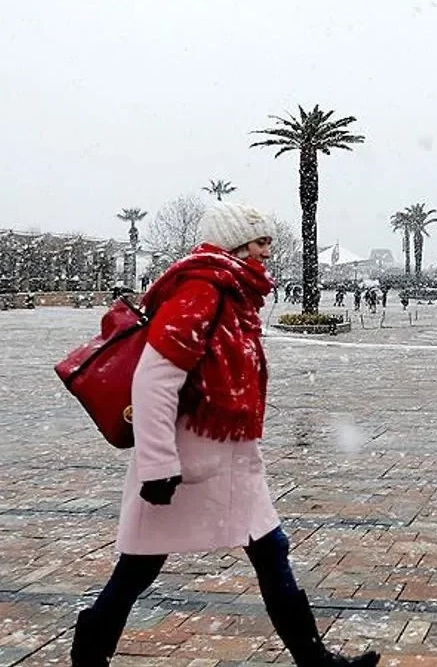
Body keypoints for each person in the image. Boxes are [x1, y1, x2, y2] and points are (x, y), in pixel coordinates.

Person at [70, 203, 378, 667]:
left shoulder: (233, 293)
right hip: (188, 460)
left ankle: (315, 661)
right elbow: (154, 379)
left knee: (270, 550)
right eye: (260, 242)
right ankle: (89, 654)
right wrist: (157, 465)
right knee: (138, 567)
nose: (268, 251)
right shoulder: (201, 291)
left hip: (229, 455)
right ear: (235, 246)